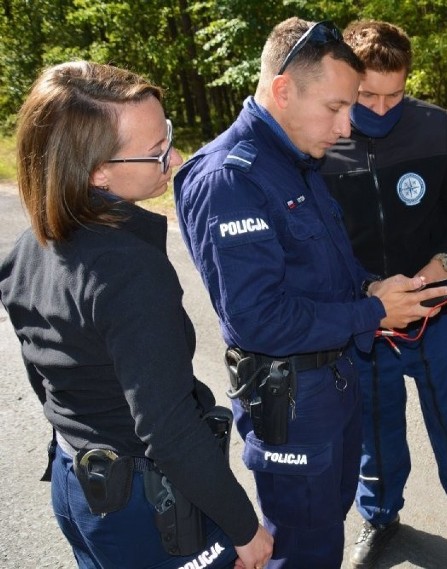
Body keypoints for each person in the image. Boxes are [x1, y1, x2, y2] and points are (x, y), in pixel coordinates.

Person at [173, 17, 447, 569]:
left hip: (334, 382)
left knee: (325, 526)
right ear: (282, 89)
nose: (347, 127)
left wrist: (373, 286)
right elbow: (258, 319)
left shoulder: (297, 160)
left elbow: (320, 269)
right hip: (292, 401)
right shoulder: (230, 178)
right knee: (301, 549)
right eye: (335, 107)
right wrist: (374, 311)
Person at [0, 61, 273, 569]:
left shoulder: (28, 246)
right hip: (150, 508)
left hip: (77, 484)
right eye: (155, 152)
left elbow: (44, 377)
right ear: (97, 170)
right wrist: (243, 527)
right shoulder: (129, 271)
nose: (173, 157)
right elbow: (168, 430)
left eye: (165, 134)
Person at [320, 20, 447, 569]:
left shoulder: (438, 128)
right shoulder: (324, 137)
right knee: (374, 439)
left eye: (395, 94)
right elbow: (315, 235)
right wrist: (366, 291)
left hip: (435, 316)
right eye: (366, 96)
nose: (380, 109)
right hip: (367, 322)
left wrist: (442, 264)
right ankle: (379, 519)